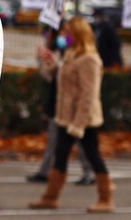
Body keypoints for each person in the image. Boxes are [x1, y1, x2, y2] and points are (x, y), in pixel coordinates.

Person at [29, 17, 114, 212]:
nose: (64, 35)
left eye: (67, 32)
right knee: (61, 155)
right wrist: (50, 62)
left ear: (78, 34)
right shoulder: (71, 55)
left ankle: (106, 198)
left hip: (82, 119)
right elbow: (60, 79)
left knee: (93, 156)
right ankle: (50, 197)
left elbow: (89, 95)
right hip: (66, 117)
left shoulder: (90, 59)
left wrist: (79, 124)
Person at [26, 25, 95, 185]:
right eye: (61, 33)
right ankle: (47, 173)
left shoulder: (83, 56)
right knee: (54, 142)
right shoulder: (60, 53)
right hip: (58, 105)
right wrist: (43, 59)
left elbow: (79, 82)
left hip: (73, 107)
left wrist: (56, 63)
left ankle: (90, 173)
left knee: (81, 143)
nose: (63, 37)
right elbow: (50, 76)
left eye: (67, 33)